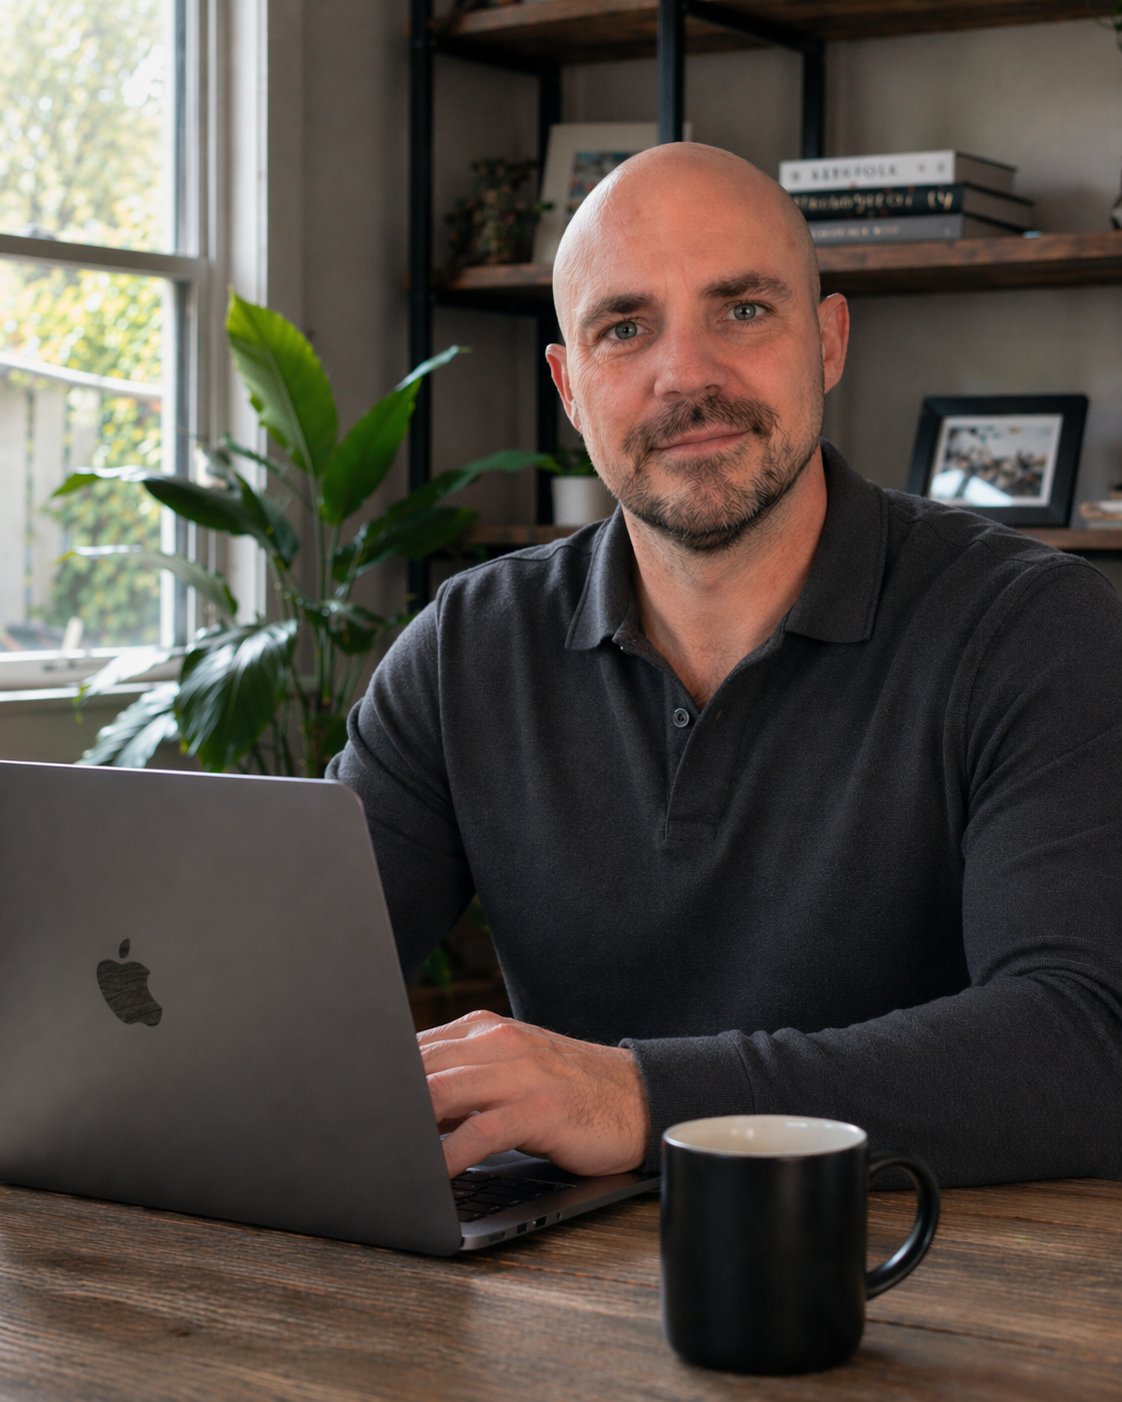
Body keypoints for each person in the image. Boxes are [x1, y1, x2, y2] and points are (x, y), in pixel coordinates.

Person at [328, 143, 1122, 1186]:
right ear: (570, 387)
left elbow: (1082, 1049)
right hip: (557, 1295)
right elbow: (296, 987)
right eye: (625, 327)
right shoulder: (465, 648)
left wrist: (639, 1096)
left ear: (828, 342)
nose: (686, 376)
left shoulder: (1032, 627)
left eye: (742, 310)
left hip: (916, 1286)